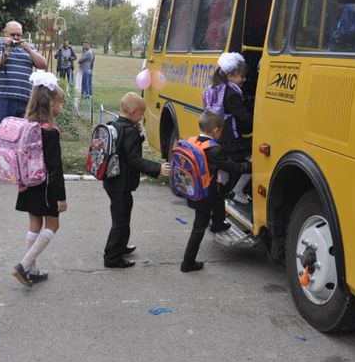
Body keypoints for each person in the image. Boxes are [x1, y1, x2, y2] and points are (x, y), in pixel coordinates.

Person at [12, 72, 67, 287]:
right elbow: (55, 168)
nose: (61, 107)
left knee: (34, 223)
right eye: (60, 103)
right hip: (46, 187)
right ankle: (24, 266)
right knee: (52, 225)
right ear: (52, 104)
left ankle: (31, 270)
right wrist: (60, 197)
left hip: (27, 184)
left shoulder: (27, 126)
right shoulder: (50, 132)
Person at [103, 92, 170, 268]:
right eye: (141, 114)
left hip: (112, 180)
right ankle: (112, 257)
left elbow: (124, 149)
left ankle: (121, 246)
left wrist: (138, 134)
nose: (142, 117)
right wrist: (158, 168)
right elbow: (135, 160)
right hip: (121, 183)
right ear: (133, 111)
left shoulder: (116, 125)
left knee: (123, 214)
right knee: (121, 220)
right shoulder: (129, 131)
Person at [180, 111, 252, 273]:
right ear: (215, 131)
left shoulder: (193, 142)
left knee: (220, 196)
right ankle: (188, 262)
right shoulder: (214, 150)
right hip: (204, 195)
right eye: (222, 131)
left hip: (196, 189)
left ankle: (218, 224)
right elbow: (232, 167)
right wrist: (251, 166)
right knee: (199, 227)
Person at [207, 52, 253, 204]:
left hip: (219, 135)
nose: (244, 79)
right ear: (231, 75)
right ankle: (236, 191)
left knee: (223, 168)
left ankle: (222, 197)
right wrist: (258, 123)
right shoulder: (232, 93)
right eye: (242, 76)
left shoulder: (218, 88)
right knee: (253, 160)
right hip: (230, 138)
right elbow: (243, 117)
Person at [0, 21, 48, 127]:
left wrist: (29, 50)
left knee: (24, 133)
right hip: (5, 97)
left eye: (19, 35)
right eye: (13, 34)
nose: (16, 37)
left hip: (26, 97)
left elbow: (43, 64)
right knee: (5, 132)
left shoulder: (28, 47)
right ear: (5, 33)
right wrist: (6, 52)